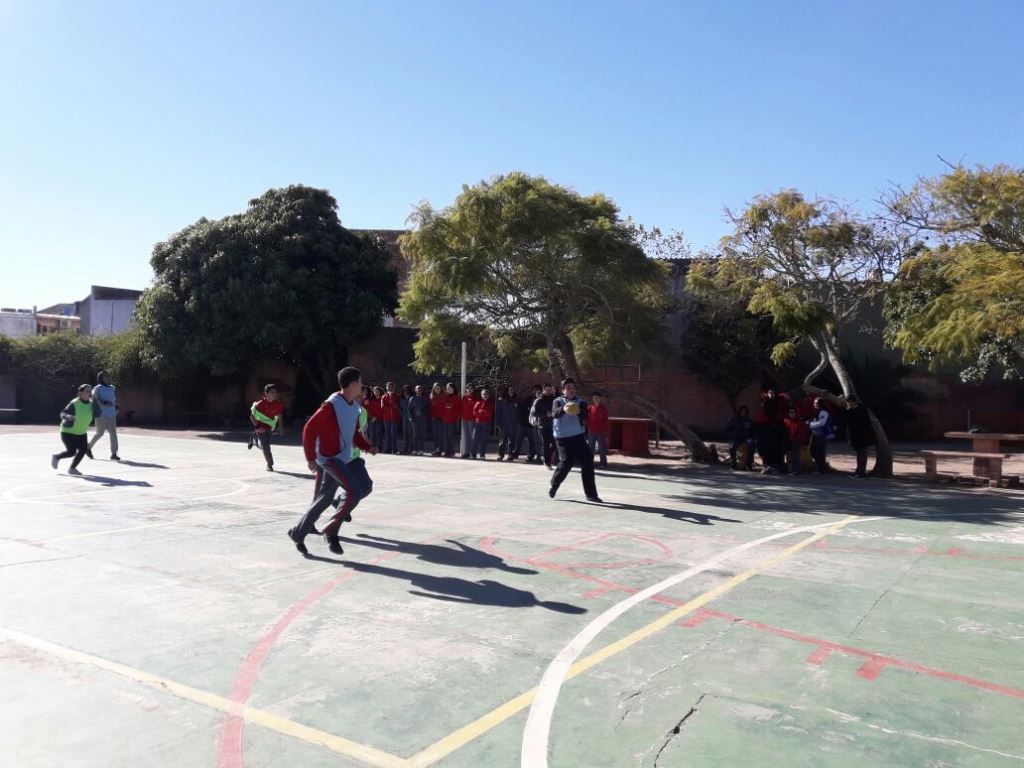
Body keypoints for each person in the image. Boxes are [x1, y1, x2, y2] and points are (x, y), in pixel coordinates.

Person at [289, 367, 376, 556]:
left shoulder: (354, 406)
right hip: (329, 458)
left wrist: (367, 447)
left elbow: (353, 434)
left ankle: (297, 533)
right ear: (353, 384)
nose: (362, 386)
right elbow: (309, 429)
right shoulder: (332, 404)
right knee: (354, 490)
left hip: (344, 457)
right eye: (360, 382)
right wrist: (310, 458)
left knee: (347, 492)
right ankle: (331, 529)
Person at [548, 378, 602, 502]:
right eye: (568, 388)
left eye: (573, 387)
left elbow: (585, 416)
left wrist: (578, 411)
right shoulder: (558, 401)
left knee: (588, 460)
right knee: (567, 462)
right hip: (562, 437)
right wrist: (564, 409)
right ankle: (554, 484)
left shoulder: (580, 402)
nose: (571, 389)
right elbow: (554, 414)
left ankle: (591, 495)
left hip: (578, 436)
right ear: (563, 390)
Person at [52, 384, 94, 475]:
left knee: (83, 450)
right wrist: (68, 416)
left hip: (81, 432)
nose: (89, 393)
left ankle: (72, 469)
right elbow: (62, 414)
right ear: (81, 393)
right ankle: (56, 457)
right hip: (68, 432)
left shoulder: (92, 404)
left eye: (90, 391)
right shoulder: (74, 403)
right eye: (87, 391)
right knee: (71, 452)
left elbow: (100, 410)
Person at [249, 384, 284, 471]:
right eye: (272, 392)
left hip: (270, 428)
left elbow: (279, 415)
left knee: (264, 446)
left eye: (275, 392)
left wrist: (280, 427)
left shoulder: (278, 404)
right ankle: (270, 465)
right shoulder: (260, 404)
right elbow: (252, 417)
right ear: (266, 393)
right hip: (260, 428)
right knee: (266, 447)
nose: (274, 394)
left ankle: (254, 441)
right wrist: (257, 427)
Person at [88, 371, 120, 461]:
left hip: (111, 415)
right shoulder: (97, 388)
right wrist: (104, 402)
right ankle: (88, 447)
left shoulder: (112, 387)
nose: (107, 378)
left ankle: (114, 454)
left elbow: (112, 399)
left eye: (108, 376)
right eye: (104, 376)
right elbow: (92, 398)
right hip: (100, 415)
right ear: (100, 378)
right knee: (99, 433)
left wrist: (115, 405)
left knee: (113, 434)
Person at [846, 394, 875, 478]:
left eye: (849, 402)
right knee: (860, 454)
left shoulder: (860, 410)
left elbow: (864, 423)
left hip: (862, 435)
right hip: (857, 435)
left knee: (862, 454)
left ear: (852, 401)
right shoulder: (855, 410)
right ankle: (859, 471)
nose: (848, 404)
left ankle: (861, 472)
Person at [531, 383, 556, 469]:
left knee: (556, 443)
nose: (548, 391)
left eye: (550, 390)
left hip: (553, 425)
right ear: (543, 390)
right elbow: (534, 413)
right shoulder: (539, 400)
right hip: (543, 426)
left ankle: (546, 457)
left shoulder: (554, 400)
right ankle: (547, 462)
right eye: (547, 390)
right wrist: (545, 414)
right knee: (546, 444)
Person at [726, 406, 756, 471]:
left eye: (745, 411)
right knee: (732, 447)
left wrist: (751, 437)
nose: (743, 413)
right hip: (736, 438)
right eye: (742, 411)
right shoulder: (733, 420)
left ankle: (749, 463)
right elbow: (728, 430)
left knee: (751, 444)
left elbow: (753, 431)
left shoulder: (749, 421)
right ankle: (734, 463)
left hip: (746, 438)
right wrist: (732, 436)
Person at [807, 397, 832, 475]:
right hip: (816, 434)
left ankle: (821, 469)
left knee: (820, 452)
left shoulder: (823, 412)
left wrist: (810, 424)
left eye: (816, 403)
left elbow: (821, 423)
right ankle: (819, 468)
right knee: (813, 451)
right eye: (814, 403)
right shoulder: (817, 412)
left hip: (822, 434)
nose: (815, 404)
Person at [783, 406, 810, 476]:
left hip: (797, 441)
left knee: (794, 453)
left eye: (792, 412)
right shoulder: (786, 421)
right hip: (788, 441)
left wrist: (804, 443)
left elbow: (801, 434)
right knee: (789, 454)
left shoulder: (800, 422)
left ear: (796, 413)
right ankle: (790, 469)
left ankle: (797, 470)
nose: (791, 414)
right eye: (790, 412)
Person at [514, 386, 539, 462]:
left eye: (539, 392)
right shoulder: (529, 398)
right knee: (519, 439)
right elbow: (522, 408)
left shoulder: (541, 400)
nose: (538, 393)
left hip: (531, 424)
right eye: (536, 391)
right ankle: (516, 453)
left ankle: (531, 455)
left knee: (531, 441)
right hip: (523, 422)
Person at [587, 390, 609, 468]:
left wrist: (604, 431)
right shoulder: (589, 408)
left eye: (597, 398)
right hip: (591, 431)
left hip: (601, 432)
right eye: (594, 398)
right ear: (592, 399)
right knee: (591, 448)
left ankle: (603, 463)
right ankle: (590, 463)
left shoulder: (603, 409)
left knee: (602, 448)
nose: (596, 400)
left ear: (600, 399)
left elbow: (606, 421)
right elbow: (587, 419)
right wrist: (589, 428)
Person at [495, 386, 518, 461]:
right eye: (510, 390)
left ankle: (511, 455)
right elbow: (498, 412)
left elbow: (519, 412)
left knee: (512, 440)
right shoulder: (501, 400)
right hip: (503, 423)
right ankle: (500, 455)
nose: (512, 391)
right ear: (507, 391)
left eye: (513, 390)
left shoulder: (516, 399)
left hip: (513, 423)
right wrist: (498, 423)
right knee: (502, 440)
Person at [471, 387, 495, 458]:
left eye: (486, 394)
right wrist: (483, 413)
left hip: (486, 424)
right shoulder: (478, 403)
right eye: (483, 394)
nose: (485, 395)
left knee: (483, 440)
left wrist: (480, 412)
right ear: (481, 395)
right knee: (475, 439)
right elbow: (474, 413)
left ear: (489, 395)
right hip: (477, 424)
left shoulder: (491, 403)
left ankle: (482, 454)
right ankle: (473, 454)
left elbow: (489, 413)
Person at [408, 385, 430, 455]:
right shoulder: (412, 398)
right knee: (415, 435)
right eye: (418, 389)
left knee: (422, 435)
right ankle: (414, 449)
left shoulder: (425, 399)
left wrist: (422, 412)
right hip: (414, 419)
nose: (419, 390)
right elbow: (409, 409)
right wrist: (411, 417)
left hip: (423, 419)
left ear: (422, 391)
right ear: (415, 390)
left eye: (420, 389)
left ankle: (421, 449)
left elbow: (428, 408)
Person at [381, 381, 401, 454]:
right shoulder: (384, 396)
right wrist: (392, 406)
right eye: (388, 386)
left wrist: (392, 396)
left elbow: (397, 405)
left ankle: (394, 449)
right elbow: (383, 406)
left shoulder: (397, 396)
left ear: (393, 387)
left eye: (391, 386)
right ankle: (388, 448)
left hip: (394, 418)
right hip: (386, 418)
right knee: (387, 434)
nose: (389, 388)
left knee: (394, 434)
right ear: (386, 387)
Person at [441, 382, 460, 457]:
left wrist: (454, 417)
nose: (448, 389)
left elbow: (458, 409)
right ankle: (446, 451)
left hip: (452, 420)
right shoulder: (444, 397)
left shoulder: (456, 397)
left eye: (450, 388)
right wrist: (443, 416)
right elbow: (442, 408)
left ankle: (452, 451)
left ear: (453, 389)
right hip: (445, 420)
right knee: (445, 436)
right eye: (447, 388)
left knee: (450, 436)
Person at [460, 386, 479, 458]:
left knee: (473, 437)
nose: (470, 390)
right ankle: (467, 452)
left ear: (473, 390)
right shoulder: (464, 398)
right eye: (468, 388)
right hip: (465, 419)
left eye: (471, 388)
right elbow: (461, 407)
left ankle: (473, 453)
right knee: (466, 436)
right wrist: (461, 415)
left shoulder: (476, 398)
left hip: (472, 419)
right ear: (466, 390)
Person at [429, 382, 445, 455]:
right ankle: (436, 449)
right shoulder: (431, 396)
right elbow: (430, 408)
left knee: (441, 434)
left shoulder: (444, 396)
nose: (437, 389)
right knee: (435, 435)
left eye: (438, 388)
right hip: (434, 418)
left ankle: (441, 450)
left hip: (442, 418)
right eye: (436, 388)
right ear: (433, 389)